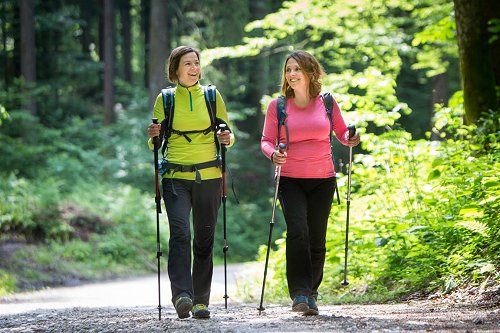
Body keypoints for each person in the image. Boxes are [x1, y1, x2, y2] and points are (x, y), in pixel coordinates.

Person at [260, 50, 360, 315]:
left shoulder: (326, 103)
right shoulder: (278, 106)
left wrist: (350, 137)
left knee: (317, 238)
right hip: (290, 178)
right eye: (288, 70)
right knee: (298, 231)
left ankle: (312, 292)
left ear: (310, 72)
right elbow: (266, 140)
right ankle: (299, 294)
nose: (292, 74)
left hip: (322, 179)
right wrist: (274, 154)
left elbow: (341, 132)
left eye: (297, 69)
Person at [147, 46, 235, 319]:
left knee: (205, 239)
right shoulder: (166, 99)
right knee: (181, 234)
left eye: (196, 63)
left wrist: (226, 138)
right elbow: (155, 142)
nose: (194, 68)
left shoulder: (211, 96)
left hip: (209, 176)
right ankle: (182, 295)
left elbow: (228, 135)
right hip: (175, 178)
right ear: (175, 69)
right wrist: (153, 135)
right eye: (188, 64)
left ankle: (201, 301)